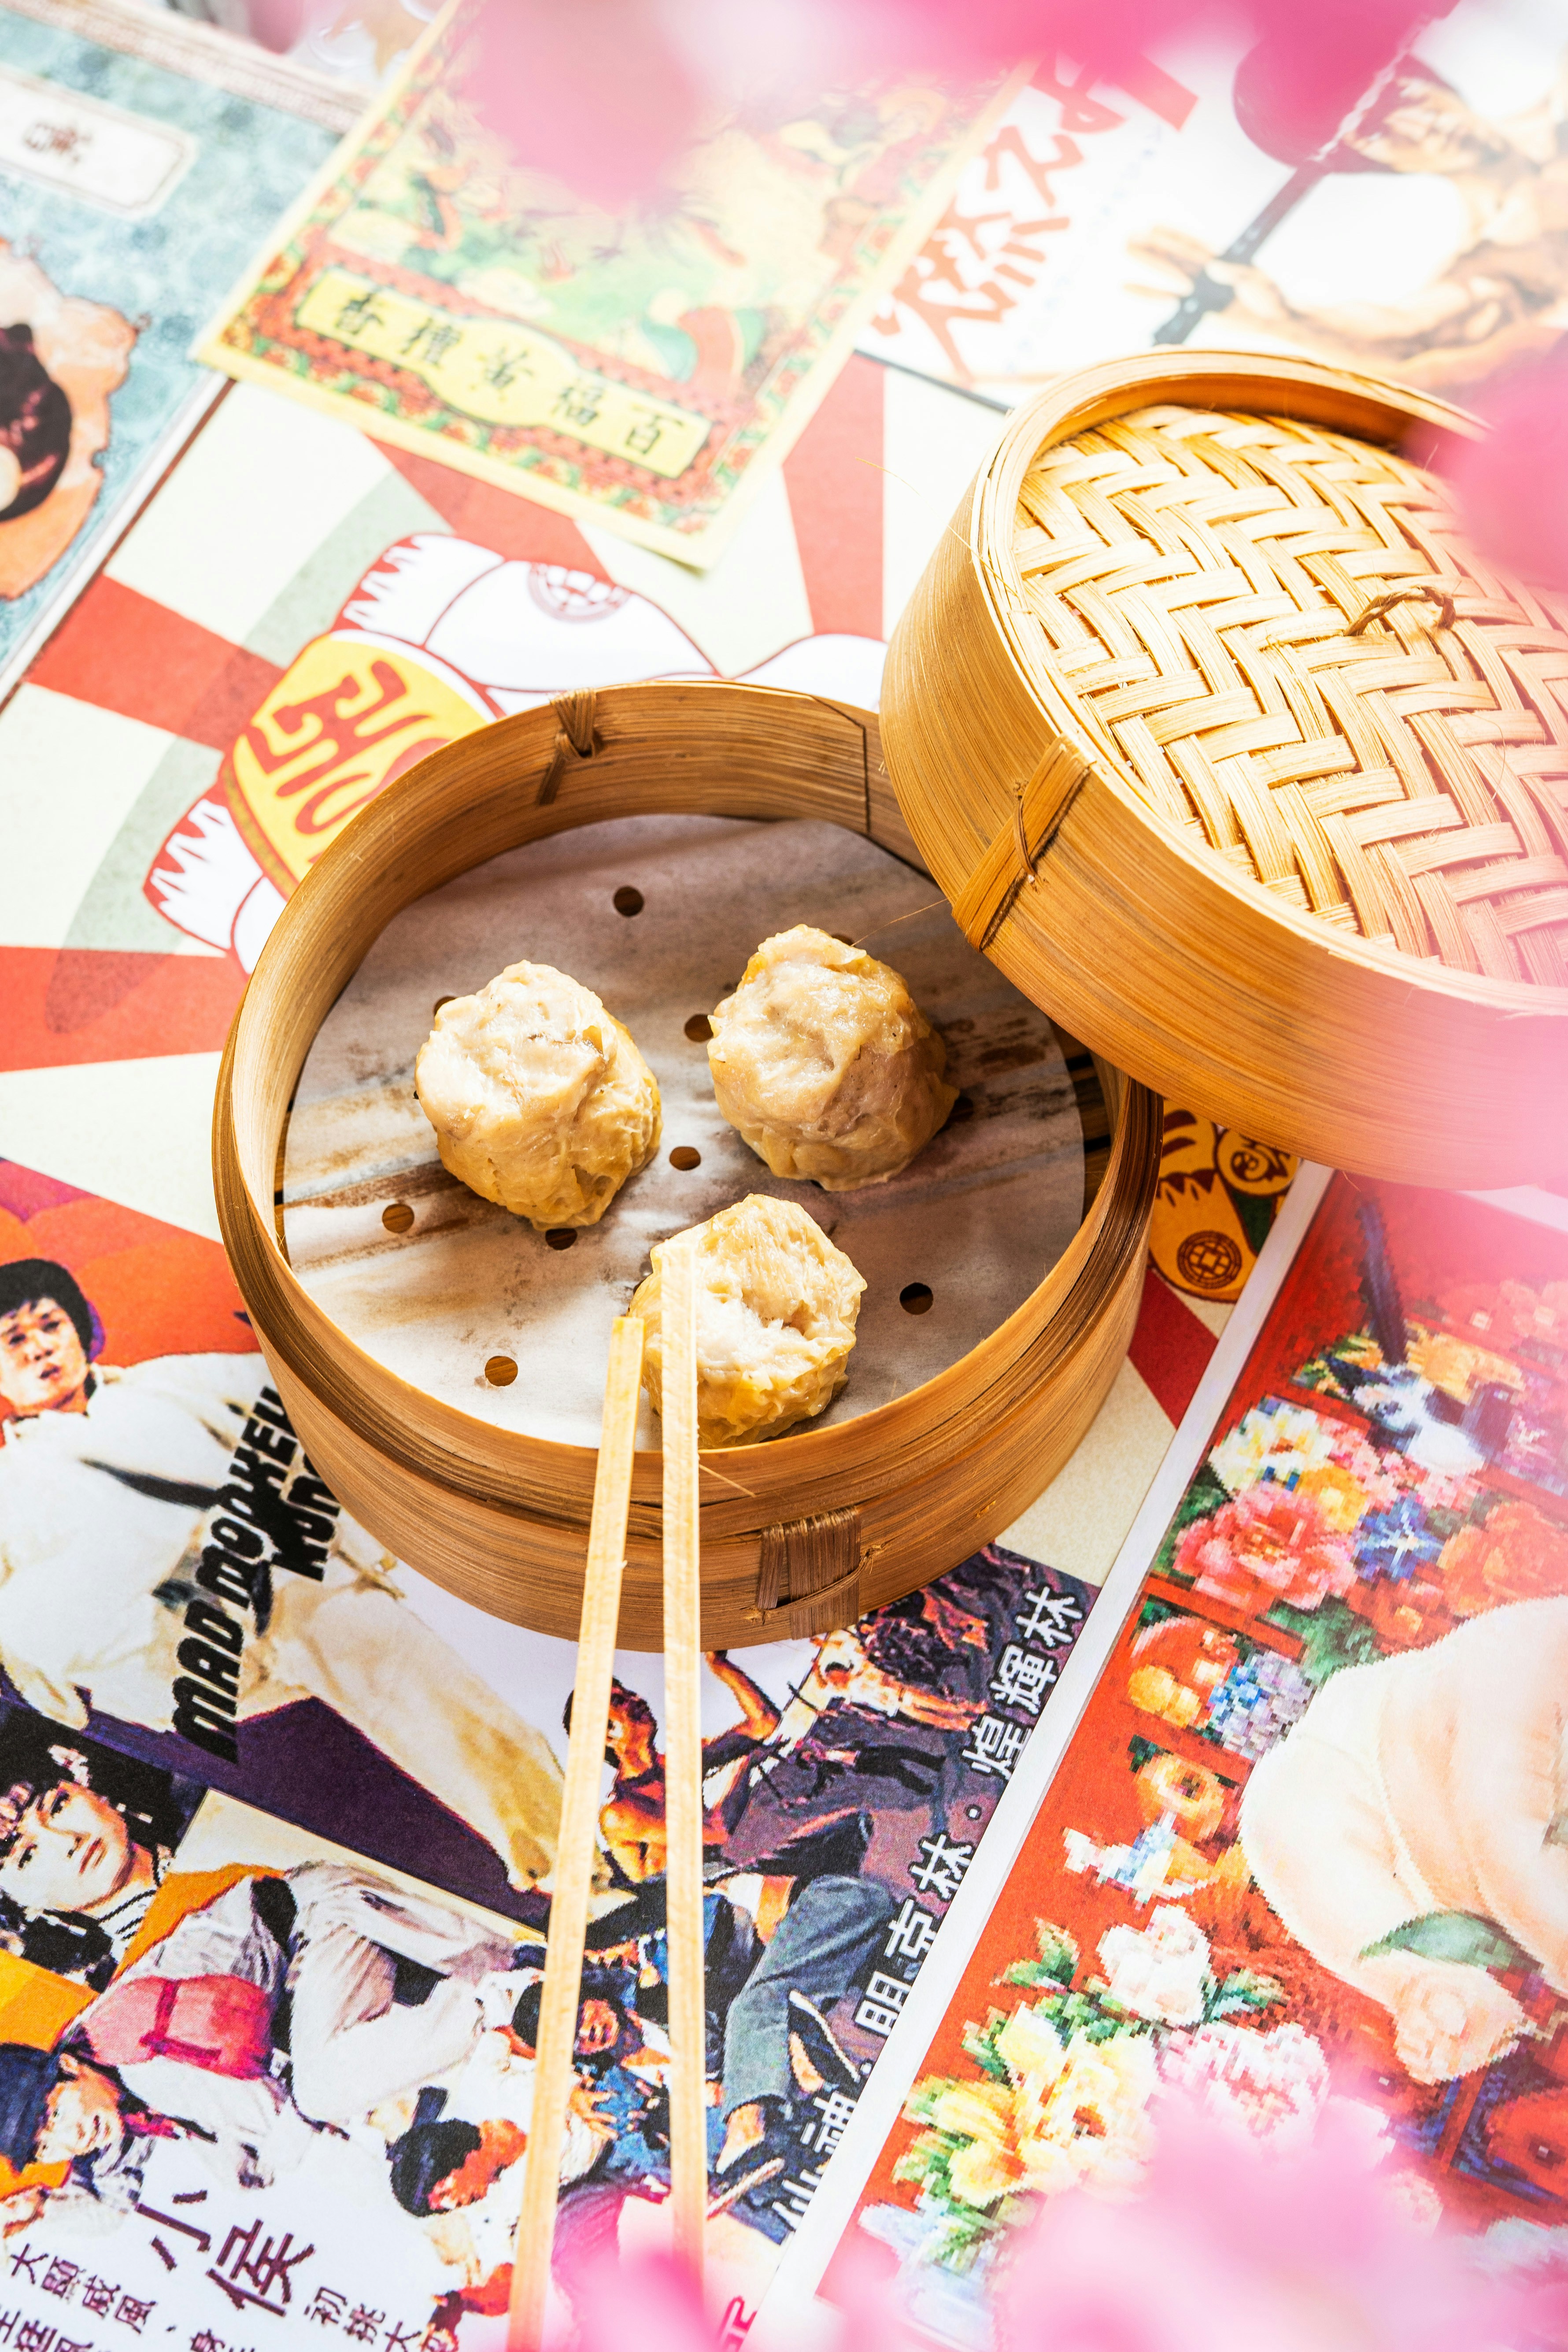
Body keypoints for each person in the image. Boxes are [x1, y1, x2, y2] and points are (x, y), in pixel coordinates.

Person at [0, 1257, 563, 1891]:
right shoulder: (12, 1488)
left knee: (435, 1674)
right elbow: (28, 1634)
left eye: (50, 1325)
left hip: (293, 1588)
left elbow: (299, 1397)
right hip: (181, 1659)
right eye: (14, 1341)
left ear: (80, 1327)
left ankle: (567, 1857)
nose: (41, 1348)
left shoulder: (168, 1385)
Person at [0, 1857, 526, 2235]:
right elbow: (111, 2199)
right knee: (266, 2146)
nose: (68, 2137)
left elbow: (285, 2124)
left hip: (329, 1919)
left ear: (67, 2067)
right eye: (45, 2146)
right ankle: (487, 1999)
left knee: (318, 2097)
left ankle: (493, 2001)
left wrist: (399, 2195)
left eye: (51, 2113)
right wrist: (44, 2207)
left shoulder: (136, 2061)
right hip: (318, 1971)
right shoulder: (106, 2095)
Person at [1240, 1595, 1568, 2085]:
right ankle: (1429, 1984)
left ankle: (1461, 2000)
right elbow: (1506, 1848)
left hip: (1482, 1908)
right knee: (1291, 1819)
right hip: (1364, 1773)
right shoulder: (1529, 1654)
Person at [1130, 53, 1568, 400]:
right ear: (1382, 166)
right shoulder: (1499, 258)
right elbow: (1408, 332)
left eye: (1404, 97)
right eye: (1378, 133)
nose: (1421, 128)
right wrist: (1289, 321)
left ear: (1427, 78)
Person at [0, 1715, 196, 1988]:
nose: (68, 1841)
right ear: (23, 1903)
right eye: (26, 1856)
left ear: (90, 1790)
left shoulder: (209, 1813)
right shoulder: (135, 1983)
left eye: (58, 1806)